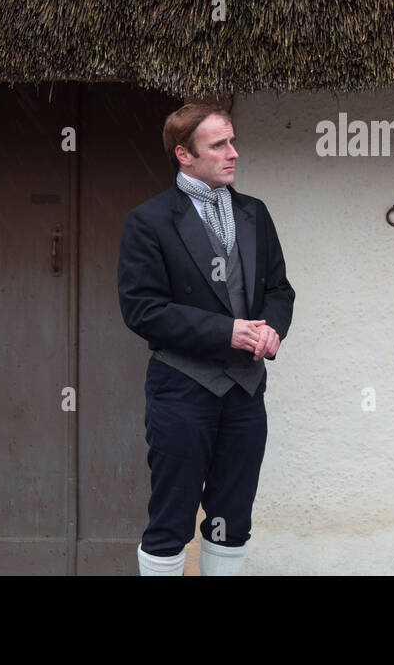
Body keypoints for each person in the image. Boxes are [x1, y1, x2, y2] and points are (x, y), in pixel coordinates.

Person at [118, 103, 295, 575]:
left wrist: (272, 328)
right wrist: (228, 332)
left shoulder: (255, 213)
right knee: (171, 520)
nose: (233, 153)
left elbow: (279, 289)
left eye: (232, 141)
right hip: (182, 388)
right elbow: (142, 310)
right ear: (184, 154)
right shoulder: (149, 221)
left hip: (245, 390)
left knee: (230, 520)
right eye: (219, 145)